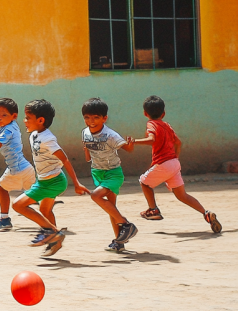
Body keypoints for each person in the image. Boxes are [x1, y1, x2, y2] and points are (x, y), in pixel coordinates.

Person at [13, 99, 90, 257]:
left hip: (52, 182)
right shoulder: (34, 134)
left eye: (28, 117)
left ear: (40, 120)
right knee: (44, 210)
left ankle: (51, 231)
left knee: (18, 205)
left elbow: (65, 159)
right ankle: (55, 240)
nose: (24, 120)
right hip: (46, 180)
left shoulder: (48, 139)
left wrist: (76, 183)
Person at [132, 95, 221, 233]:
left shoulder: (151, 124)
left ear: (145, 113)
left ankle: (153, 209)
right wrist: (175, 160)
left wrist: (134, 141)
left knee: (144, 182)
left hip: (165, 163)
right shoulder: (167, 125)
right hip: (174, 163)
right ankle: (206, 213)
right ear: (163, 113)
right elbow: (178, 143)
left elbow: (151, 139)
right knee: (182, 195)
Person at [81, 97, 137, 253]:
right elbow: (87, 157)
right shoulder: (85, 133)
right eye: (87, 117)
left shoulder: (110, 135)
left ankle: (126, 225)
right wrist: (86, 149)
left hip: (113, 173)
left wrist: (130, 145)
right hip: (97, 172)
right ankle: (119, 242)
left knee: (95, 196)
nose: (91, 121)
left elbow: (128, 149)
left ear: (104, 118)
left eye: (96, 117)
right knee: (112, 209)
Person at [0, 98, 36, 230]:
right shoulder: (10, 126)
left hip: (16, 168)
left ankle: (4, 219)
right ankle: (48, 214)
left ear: (14, 116)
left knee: (2, 188)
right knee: (35, 194)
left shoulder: (7, 130)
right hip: (27, 168)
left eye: (4, 115)